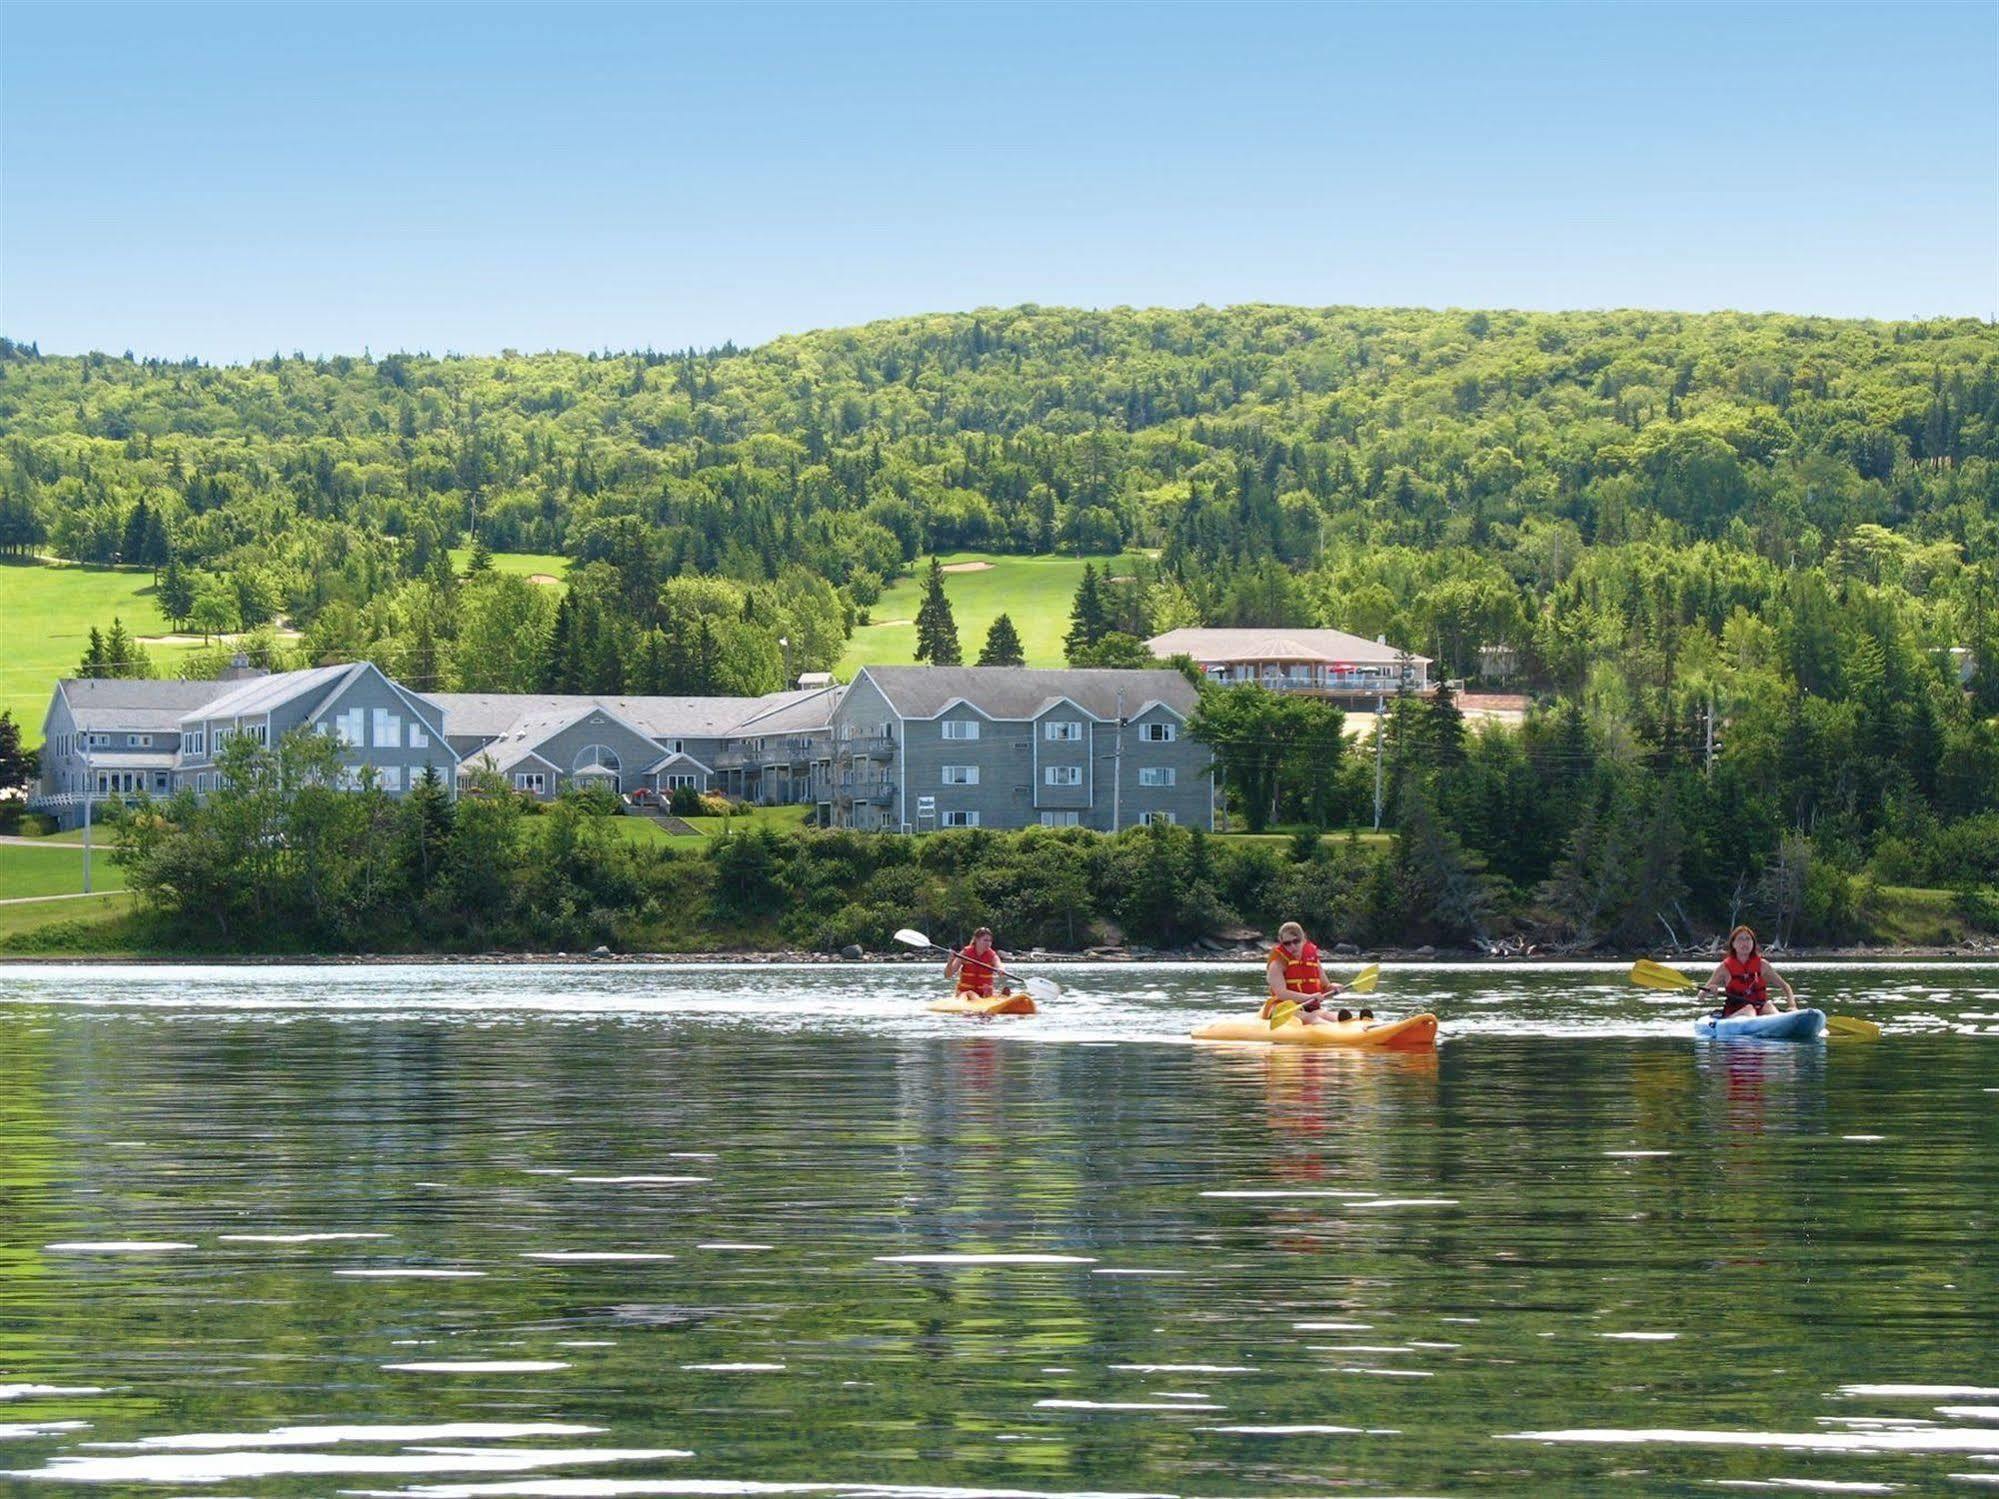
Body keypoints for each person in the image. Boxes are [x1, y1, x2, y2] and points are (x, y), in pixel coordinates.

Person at [1262, 920, 1350, 1025]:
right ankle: (1335, 1031)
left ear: (1303, 939)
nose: (1292, 947)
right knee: (1310, 1018)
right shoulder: (1276, 964)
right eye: (1287, 943)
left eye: (1296, 941)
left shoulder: (1312, 959)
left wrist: (1334, 988)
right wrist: (1309, 997)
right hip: (1283, 1008)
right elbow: (1281, 994)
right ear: (1281, 942)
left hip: (1308, 1007)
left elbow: (1326, 987)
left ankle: (1356, 1023)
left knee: (1327, 1014)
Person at [1698, 925, 1797, 1017]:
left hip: (1759, 1010)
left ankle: (1779, 1022)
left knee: (1768, 1006)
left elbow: (1785, 986)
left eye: (1748, 939)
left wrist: (1792, 1006)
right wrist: (1709, 990)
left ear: (1753, 943)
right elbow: (1700, 997)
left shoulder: (1763, 965)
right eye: (1740, 939)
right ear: (1733, 944)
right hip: (1735, 1013)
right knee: (1749, 1010)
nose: (1745, 943)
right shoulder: (1724, 967)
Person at [946, 927, 1012, 997]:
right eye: (985, 940)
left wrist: (1001, 969)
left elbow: (999, 964)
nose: (988, 943)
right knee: (970, 994)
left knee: (990, 993)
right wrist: (950, 962)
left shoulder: (992, 955)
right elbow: (948, 975)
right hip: (965, 993)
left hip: (984, 993)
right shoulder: (965, 953)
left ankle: (995, 996)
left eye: (990, 941)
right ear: (976, 940)